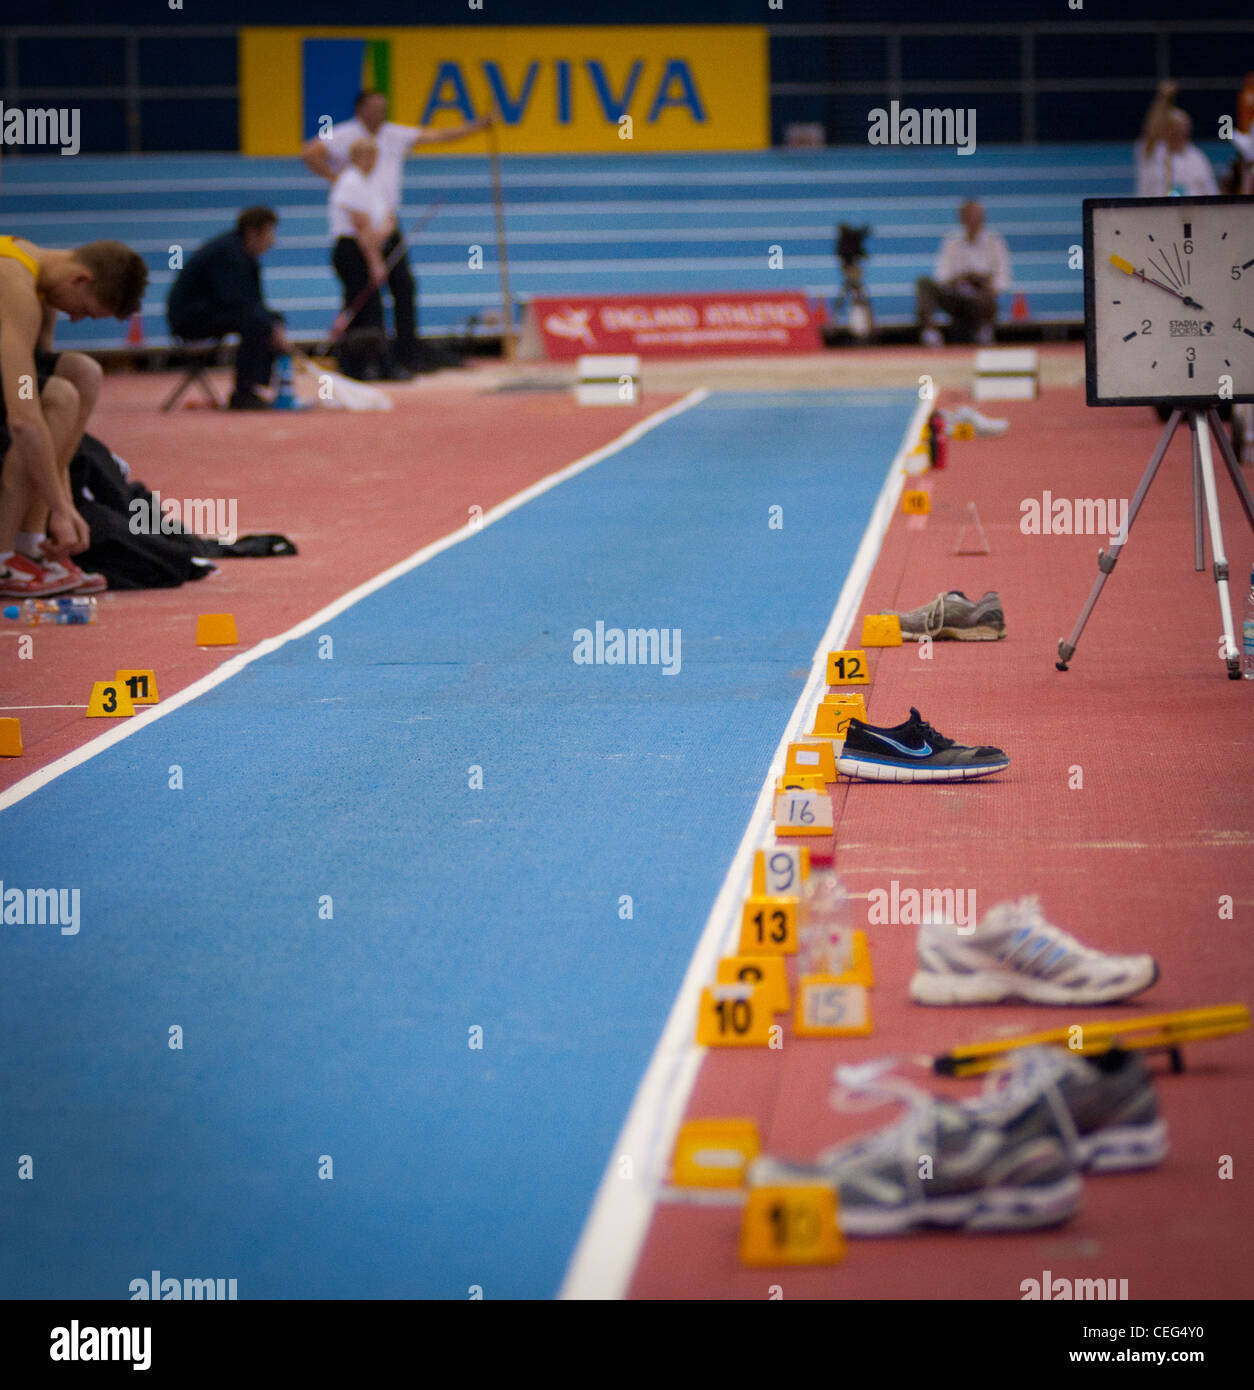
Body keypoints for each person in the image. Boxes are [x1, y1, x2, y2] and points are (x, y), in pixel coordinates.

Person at [0, 236, 148, 598]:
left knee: (83, 372)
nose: (75, 318)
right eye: (83, 309)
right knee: (58, 395)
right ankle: (2, 557)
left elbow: (51, 421)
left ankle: (31, 543)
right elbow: (23, 417)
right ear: (80, 279)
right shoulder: (14, 282)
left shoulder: (41, 283)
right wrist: (62, 508)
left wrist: (59, 502)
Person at [301, 90, 490, 372]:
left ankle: (405, 352)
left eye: (384, 108)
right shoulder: (347, 152)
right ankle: (363, 359)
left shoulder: (390, 141)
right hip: (361, 234)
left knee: (403, 287)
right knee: (365, 298)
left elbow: (437, 136)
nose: (380, 113)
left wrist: (477, 126)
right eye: (375, 108)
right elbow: (309, 152)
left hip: (382, 222)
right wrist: (335, 179)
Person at [167, 207, 290, 411]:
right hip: (189, 318)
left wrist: (275, 325)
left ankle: (256, 387)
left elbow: (252, 302)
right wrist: (270, 326)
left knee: (271, 319)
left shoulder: (244, 255)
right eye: (270, 233)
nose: (273, 241)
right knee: (257, 322)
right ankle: (244, 392)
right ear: (253, 232)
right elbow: (234, 300)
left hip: (212, 312)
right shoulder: (228, 254)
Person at [328, 137, 405, 381]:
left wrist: (382, 232)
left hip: (369, 245)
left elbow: (388, 218)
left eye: (374, 155)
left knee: (367, 307)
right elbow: (362, 229)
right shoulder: (350, 182)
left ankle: (363, 364)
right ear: (356, 157)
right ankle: (363, 364)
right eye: (368, 155)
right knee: (365, 307)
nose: (373, 160)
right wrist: (375, 263)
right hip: (353, 251)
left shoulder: (371, 182)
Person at [916, 201, 1012, 347]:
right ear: (962, 219)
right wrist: (962, 277)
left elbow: (1003, 278)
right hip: (955, 295)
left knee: (985, 298)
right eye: (969, 217)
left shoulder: (995, 242)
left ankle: (983, 331)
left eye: (977, 218)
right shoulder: (951, 241)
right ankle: (930, 332)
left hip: (980, 298)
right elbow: (941, 277)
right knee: (923, 283)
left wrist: (984, 283)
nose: (973, 222)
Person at [1135, 82, 1218, 197]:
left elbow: (1211, 192)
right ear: (1164, 129)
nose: (1180, 132)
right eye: (1174, 128)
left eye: (1184, 127)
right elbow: (1151, 131)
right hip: (1156, 213)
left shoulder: (1197, 157)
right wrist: (1163, 99)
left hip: (1192, 214)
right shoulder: (1154, 152)